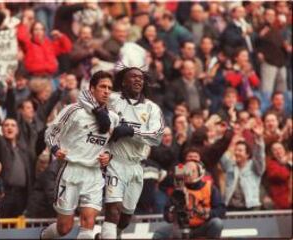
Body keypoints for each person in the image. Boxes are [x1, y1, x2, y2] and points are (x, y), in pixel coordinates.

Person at [78, 67, 164, 239]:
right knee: (113, 210)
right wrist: (98, 112)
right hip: (115, 161)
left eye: (140, 78)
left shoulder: (151, 109)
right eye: (133, 77)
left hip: (136, 166)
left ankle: (106, 236)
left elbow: (157, 137)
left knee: (125, 219)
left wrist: (131, 132)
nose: (138, 80)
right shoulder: (114, 99)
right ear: (124, 82)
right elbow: (84, 95)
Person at [41, 71, 119, 239]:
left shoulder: (113, 117)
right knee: (64, 228)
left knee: (88, 223)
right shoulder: (73, 110)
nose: (106, 91)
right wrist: (55, 150)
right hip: (71, 170)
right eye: (102, 87)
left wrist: (109, 155)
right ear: (92, 88)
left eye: (110, 88)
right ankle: (44, 236)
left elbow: (113, 145)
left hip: (94, 173)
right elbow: (50, 133)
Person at [154, 160, 225, 239]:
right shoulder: (178, 190)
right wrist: (171, 214)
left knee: (217, 223)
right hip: (180, 227)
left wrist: (207, 213)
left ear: (200, 172)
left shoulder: (210, 187)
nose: (188, 174)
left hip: (202, 225)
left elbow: (221, 210)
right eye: (186, 170)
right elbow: (167, 213)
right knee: (160, 233)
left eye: (192, 171)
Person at [220, 119, 266, 211]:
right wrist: (233, 140)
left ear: (247, 154)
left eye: (240, 150)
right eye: (236, 150)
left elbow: (259, 156)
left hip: (251, 207)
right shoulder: (230, 165)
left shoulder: (255, 167)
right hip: (231, 207)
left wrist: (259, 138)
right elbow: (223, 156)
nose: (237, 153)